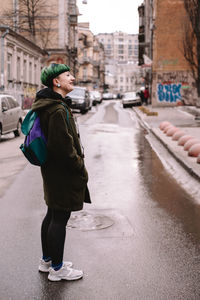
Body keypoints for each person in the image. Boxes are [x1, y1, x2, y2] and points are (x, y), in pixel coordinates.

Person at [31, 63, 91, 282]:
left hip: (52, 170)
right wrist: (79, 167)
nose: (73, 78)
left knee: (52, 214)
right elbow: (63, 147)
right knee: (59, 218)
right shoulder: (56, 110)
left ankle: (47, 261)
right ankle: (57, 269)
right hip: (62, 171)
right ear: (56, 81)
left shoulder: (51, 104)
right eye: (68, 75)